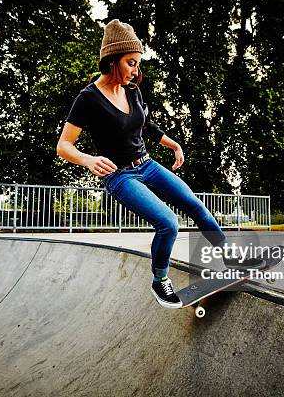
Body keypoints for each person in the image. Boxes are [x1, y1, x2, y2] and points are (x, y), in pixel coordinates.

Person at [57, 19, 264, 308]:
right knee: (168, 223)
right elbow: (63, 145)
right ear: (112, 60)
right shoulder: (88, 98)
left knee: (196, 206)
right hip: (120, 176)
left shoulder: (131, 89)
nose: (135, 71)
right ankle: (160, 281)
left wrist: (173, 143)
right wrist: (87, 159)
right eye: (131, 63)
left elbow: (146, 125)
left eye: (137, 64)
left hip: (148, 165)